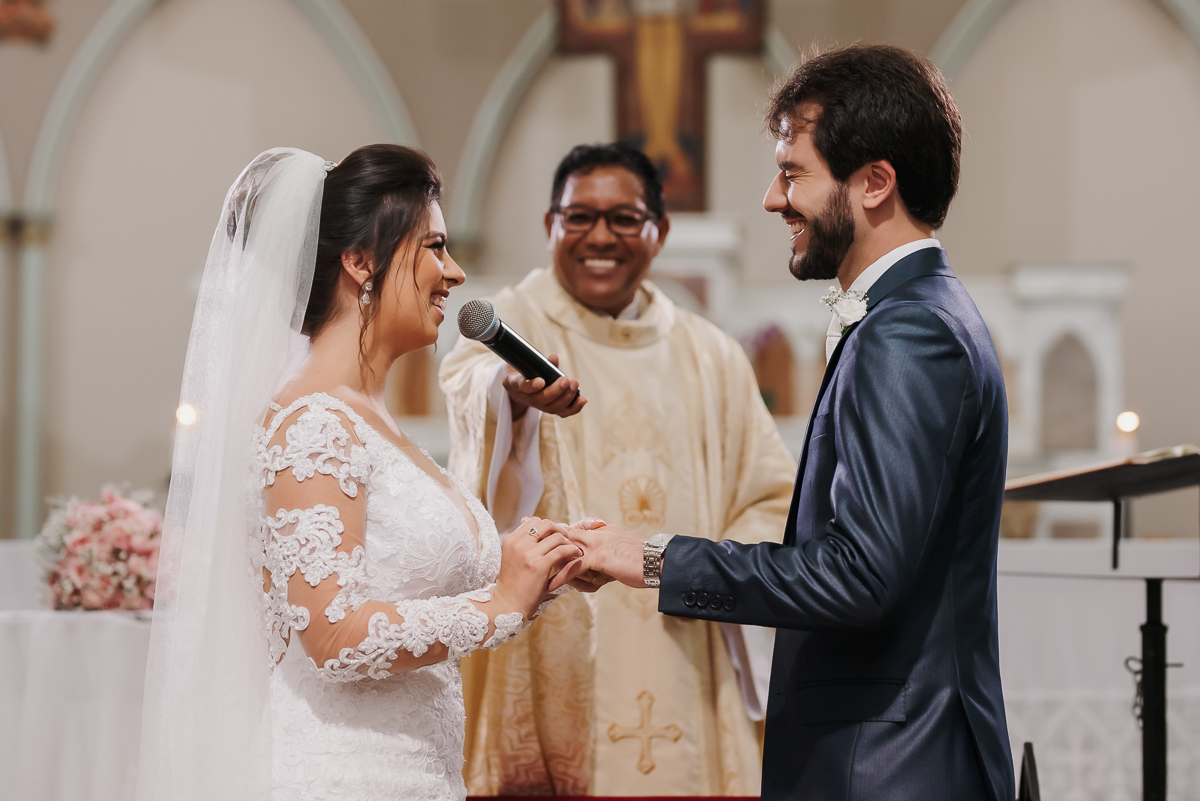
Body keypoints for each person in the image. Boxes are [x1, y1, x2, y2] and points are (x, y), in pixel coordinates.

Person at [567, 45, 1016, 801]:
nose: (774, 200)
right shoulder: (922, 315)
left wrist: (646, 556)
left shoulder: (909, 333)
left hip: (885, 764)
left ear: (875, 182)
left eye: (792, 172)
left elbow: (860, 575)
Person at [136, 145, 584, 801]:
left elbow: (432, 584)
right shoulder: (312, 426)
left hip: (414, 774)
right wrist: (500, 604)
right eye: (433, 247)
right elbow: (334, 636)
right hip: (335, 775)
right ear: (359, 261)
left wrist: (546, 569)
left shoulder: (370, 419)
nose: (454, 272)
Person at [438, 143, 796, 795]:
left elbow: (770, 496)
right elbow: (469, 404)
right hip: (552, 639)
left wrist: (698, 569)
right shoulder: (508, 330)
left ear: (658, 233)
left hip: (685, 638)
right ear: (549, 226)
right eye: (578, 217)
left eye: (625, 218)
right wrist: (511, 404)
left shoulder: (709, 354)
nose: (599, 236)